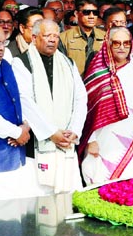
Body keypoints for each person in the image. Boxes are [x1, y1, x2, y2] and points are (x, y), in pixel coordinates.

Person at [0, 22, 62, 200]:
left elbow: (20, 97)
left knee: (17, 207)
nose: (1, 48)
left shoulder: (6, 65)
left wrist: (25, 126)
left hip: (16, 150)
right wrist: (15, 132)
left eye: (4, 43)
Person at [12, 19, 87, 193]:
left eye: (56, 36)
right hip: (37, 145)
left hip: (67, 141)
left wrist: (74, 130)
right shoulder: (21, 62)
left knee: (68, 198)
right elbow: (25, 101)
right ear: (34, 37)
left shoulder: (68, 63)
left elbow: (81, 98)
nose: (52, 40)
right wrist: (51, 133)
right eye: (47, 36)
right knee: (39, 202)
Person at [80, 27, 133, 185]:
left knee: (130, 183)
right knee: (99, 180)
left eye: (126, 43)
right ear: (108, 44)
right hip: (102, 139)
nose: (122, 47)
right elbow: (86, 110)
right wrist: (90, 140)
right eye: (117, 43)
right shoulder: (97, 73)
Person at [59, 0, 105, 75]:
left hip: (98, 84)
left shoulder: (105, 37)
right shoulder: (64, 38)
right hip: (74, 83)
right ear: (76, 14)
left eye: (95, 13)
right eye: (86, 12)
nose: (91, 16)